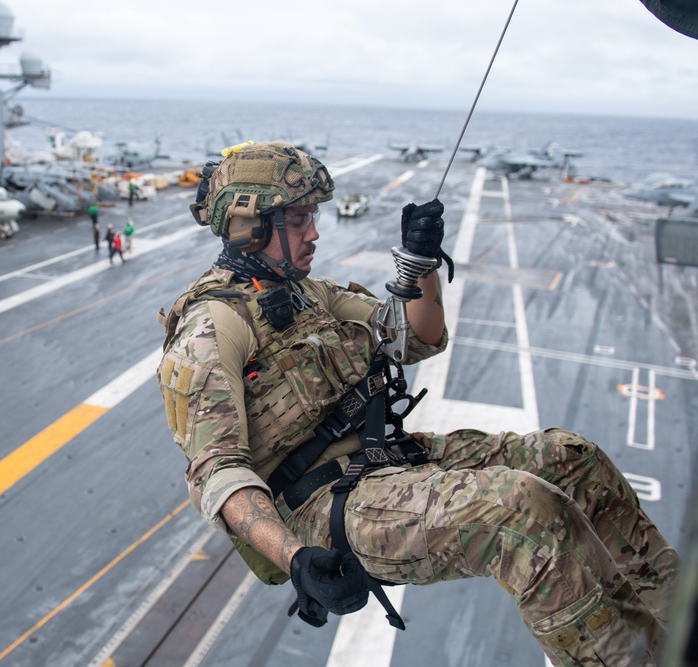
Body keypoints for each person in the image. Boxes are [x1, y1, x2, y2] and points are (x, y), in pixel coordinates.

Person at [156, 142, 678, 667]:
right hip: (319, 507)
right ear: (251, 227)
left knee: (572, 460)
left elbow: (417, 337)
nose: (314, 232)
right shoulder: (213, 326)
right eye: (297, 220)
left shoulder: (310, 295)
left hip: (383, 460)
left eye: (312, 216)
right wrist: (295, 560)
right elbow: (217, 471)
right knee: (520, 513)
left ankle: (677, 627)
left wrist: (420, 262)